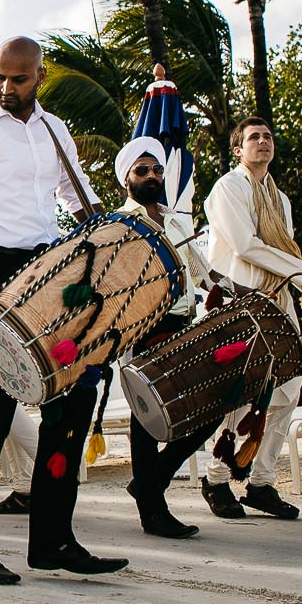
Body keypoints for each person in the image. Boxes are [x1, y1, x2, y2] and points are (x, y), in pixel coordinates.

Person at [0, 37, 121, 584]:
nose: (7, 88)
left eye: (19, 79)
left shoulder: (54, 130)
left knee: (73, 397)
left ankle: (54, 539)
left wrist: (110, 235)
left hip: (48, 268)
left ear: (39, 77)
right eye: (0, 77)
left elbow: (75, 195)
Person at [198, 118, 302, 521]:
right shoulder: (228, 188)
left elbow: (285, 250)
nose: (263, 142)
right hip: (241, 301)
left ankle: (262, 483)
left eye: (267, 136)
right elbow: (245, 246)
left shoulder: (280, 199)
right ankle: (216, 479)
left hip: (278, 300)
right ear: (238, 149)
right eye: (254, 137)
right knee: (240, 394)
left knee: (289, 390)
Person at [112, 137, 216, 539]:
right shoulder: (120, 224)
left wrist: (235, 289)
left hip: (184, 324)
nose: (152, 176)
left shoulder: (175, 220)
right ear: (127, 179)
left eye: (157, 169)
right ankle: (152, 512)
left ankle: (150, 480)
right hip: (143, 328)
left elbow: (202, 271)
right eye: (142, 171)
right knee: (145, 419)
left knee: (209, 407)